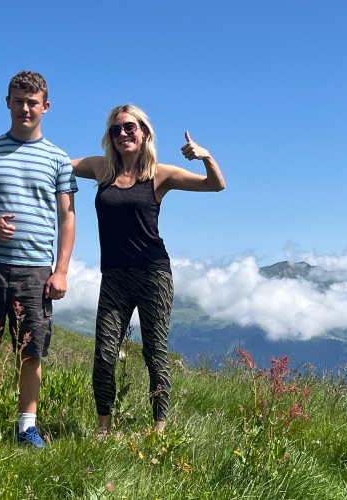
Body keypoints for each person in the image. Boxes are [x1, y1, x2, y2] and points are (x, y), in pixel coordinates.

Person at [72, 104, 225, 434]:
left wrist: (205, 156)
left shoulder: (159, 173)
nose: (123, 134)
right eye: (116, 130)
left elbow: (215, 186)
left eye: (129, 127)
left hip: (153, 274)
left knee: (155, 352)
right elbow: (55, 163)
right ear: (109, 138)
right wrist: (13, 143)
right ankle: (103, 427)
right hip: (114, 275)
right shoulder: (101, 170)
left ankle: (158, 429)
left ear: (144, 133)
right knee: (104, 354)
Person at [0, 70, 77, 448]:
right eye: (18, 100)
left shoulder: (58, 158)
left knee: (31, 350)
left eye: (32, 102)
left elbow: (67, 216)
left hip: (35, 270)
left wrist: (61, 271)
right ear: (7, 102)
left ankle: (26, 426)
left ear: (45, 106)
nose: (25, 108)